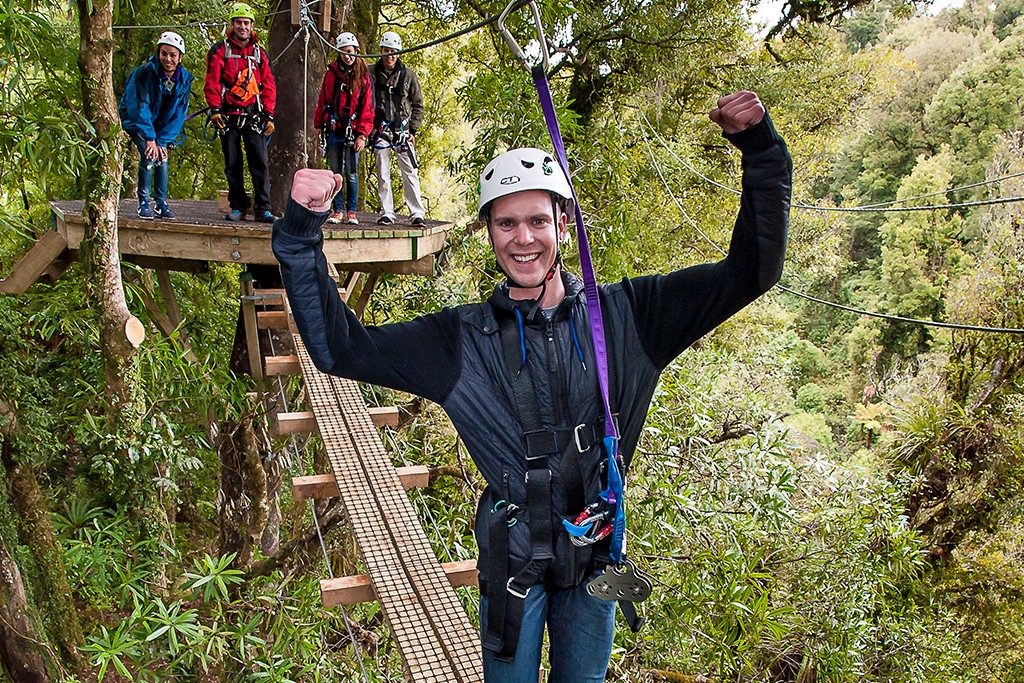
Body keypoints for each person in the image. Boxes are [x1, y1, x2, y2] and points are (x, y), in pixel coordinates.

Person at [273, 91, 791, 682]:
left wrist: (759, 150)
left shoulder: (629, 317)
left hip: (594, 555)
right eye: (507, 222)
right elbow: (341, 347)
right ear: (490, 233)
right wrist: (299, 234)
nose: (525, 239)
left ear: (563, 225)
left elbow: (752, 271)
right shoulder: (459, 341)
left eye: (538, 219)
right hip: (514, 562)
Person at [204, 2, 277, 223]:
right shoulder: (220, 50)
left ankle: (263, 208)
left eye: (246, 23)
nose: (242, 27)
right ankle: (238, 207)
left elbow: (269, 85)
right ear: (232, 24)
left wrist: (269, 114)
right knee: (232, 164)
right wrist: (215, 109)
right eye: (238, 23)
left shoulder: (259, 54)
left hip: (253, 115)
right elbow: (212, 82)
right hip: (228, 115)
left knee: (260, 162)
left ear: (252, 26)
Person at [118, 31, 194, 220]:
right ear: (158, 53)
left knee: (163, 156)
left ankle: (161, 203)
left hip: (159, 127)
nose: (168, 59)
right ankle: (143, 202)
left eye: (172, 55)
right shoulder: (145, 73)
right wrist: (150, 138)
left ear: (180, 57)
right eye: (164, 54)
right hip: (137, 121)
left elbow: (178, 113)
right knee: (148, 153)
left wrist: (162, 140)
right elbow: (138, 106)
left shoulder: (184, 80)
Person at [313, 32, 375, 225]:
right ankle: (337, 209)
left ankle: (352, 211)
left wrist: (362, 135)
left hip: (353, 131)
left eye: (350, 52)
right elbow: (323, 99)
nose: (347, 56)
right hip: (334, 128)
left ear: (356, 51)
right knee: (335, 172)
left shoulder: (363, 77)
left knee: (351, 172)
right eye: (343, 52)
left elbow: (368, 108)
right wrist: (318, 125)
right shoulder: (331, 74)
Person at [369, 30, 425, 226]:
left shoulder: (408, 75)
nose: (390, 55)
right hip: (380, 129)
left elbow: (418, 104)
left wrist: (413, 131)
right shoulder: (371, 73)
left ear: (398, 53)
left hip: (402, 130)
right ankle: (387, 212)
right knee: (382, 170)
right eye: (386, 50)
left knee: (409, 171)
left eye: (393, 51)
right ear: (381, 51)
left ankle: (416, 212)